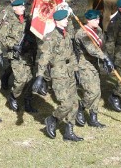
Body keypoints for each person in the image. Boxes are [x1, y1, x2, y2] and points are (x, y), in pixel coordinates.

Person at [32, 9, 83, 141]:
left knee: (74, 103)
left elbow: (71, 54)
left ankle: (69, 131)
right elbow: (44, 58)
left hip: (70, 71)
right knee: (66, 103)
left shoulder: (66, 34)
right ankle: (53, 119)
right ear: (57, 21)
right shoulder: (51, 37)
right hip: (58, 73)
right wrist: (39, 77)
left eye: (66, 18)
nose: (67, 20)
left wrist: (76, 70)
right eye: (64, 19)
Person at [74, 9, 114, 128]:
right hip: (84, 65)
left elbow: (101, 46)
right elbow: (92, 49)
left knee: (97, 92)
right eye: (95, 19)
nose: (98, 21)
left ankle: (93, 117)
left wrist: (106, 59)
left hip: (95, 64)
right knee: (92, 92)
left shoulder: (99, 30)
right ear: (88, 20)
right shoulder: (82, 33)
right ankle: (80, 108)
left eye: (98, 18)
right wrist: (105, 58)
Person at [0, 0, 38, 113]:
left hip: (28, 53)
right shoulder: (8, 21)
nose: (23, 9)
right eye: (20, 7)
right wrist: (13, 45)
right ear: (14, 8)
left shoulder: (27, 20)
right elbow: (1, 37)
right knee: (21, 80)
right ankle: (13, 96)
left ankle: (28, 102)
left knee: (30, 79)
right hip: (16, 55)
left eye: (23, 7)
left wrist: (33, 48)